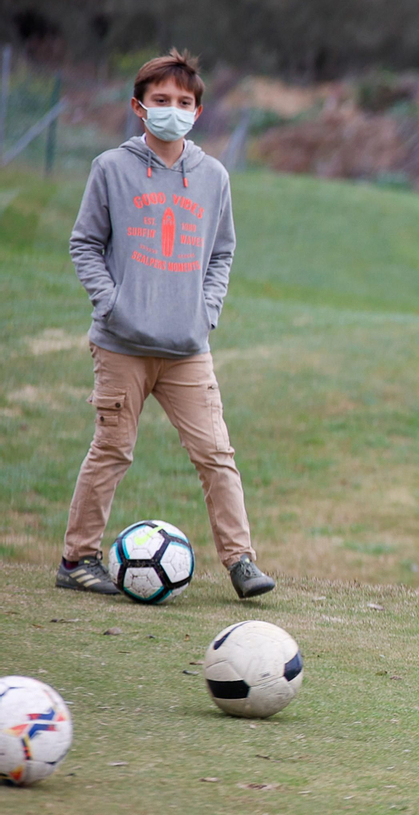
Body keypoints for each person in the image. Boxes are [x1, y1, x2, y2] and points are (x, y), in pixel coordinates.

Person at [60, 48, 273, 599]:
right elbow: (84, 243)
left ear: (197, 112)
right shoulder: (111, 168)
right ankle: (77, 559)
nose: (171, 110)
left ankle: (241, 562)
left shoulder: (213, 177)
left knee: (216, 454)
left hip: (186, 348)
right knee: (112, 450)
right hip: (121, 346)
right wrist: (111, 303)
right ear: (139, 106)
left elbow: (222, 253)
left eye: (182, 102)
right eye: (160, 101)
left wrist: (207, 310)